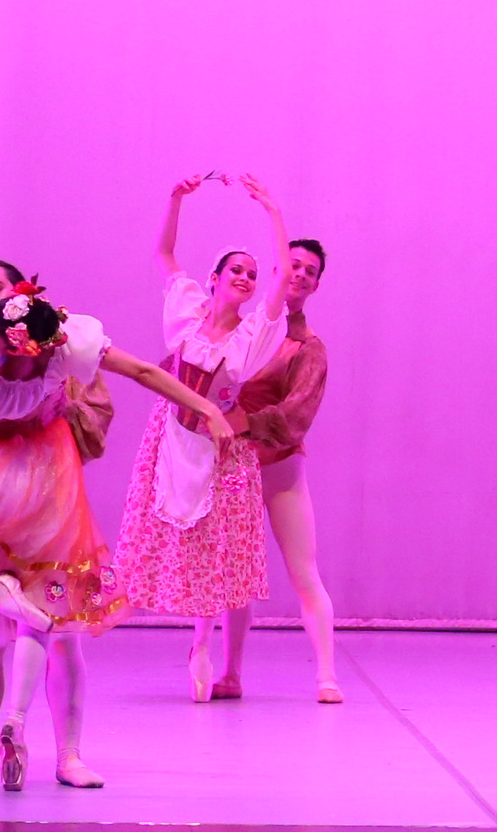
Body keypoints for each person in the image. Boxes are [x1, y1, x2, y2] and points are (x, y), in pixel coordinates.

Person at [0, 284, 234, 790]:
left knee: (46, 624)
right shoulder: (40, 359)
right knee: (12, 627)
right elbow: (142, 372)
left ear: (19, 339)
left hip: (20, 487)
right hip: (21, 486)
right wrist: (208, 408)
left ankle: (52, 749)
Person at [0, 260, 115, 788]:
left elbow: (95, 426)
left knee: (62, 634)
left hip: (50, 514)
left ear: (19, 296)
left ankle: (69, 755)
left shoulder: (63, 359)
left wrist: (49, 407)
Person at [114, 173, 291, 703]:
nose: (246, 278)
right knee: (180, 538)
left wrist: (272, 210)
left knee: (219, 548)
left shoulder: (252, 336)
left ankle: (206, 646)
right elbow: (164, 254)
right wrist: (175, 199)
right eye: (236, 269)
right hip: (170, 438)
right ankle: (191, 640)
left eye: (252, 274)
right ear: (214, 278)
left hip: (222, 451)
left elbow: (283, 276)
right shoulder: (187, 316)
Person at [220, 237, 341, 702]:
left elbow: (297, 415)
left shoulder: (308, 347)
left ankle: (326, 675)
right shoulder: (239, 328)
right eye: (294, 265)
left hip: (279, 467)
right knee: (233, 575)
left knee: (303, 571)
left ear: (315, 285)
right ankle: (228, 672)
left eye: (310, 271)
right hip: (233, 463)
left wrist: (246, 423)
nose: (301, 274)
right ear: (276, 270)